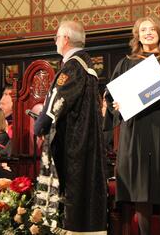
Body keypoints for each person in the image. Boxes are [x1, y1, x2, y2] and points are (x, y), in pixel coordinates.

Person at [104, 15, 160, 235]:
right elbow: (111, 95)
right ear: (137, 35)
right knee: (140, 187)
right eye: (143, 30)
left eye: (152, 29)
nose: (148, 33)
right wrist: (115, 103)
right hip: (137, 129)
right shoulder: (126, 62)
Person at [33, 20, 107, 234]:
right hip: (87, 141)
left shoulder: (73, 66)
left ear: (65, 39)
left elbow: (57, 100)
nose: (56, 41)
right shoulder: (88, 67)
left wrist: (40, 126)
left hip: (73, 144)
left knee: (72, 196)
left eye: (56, 37)